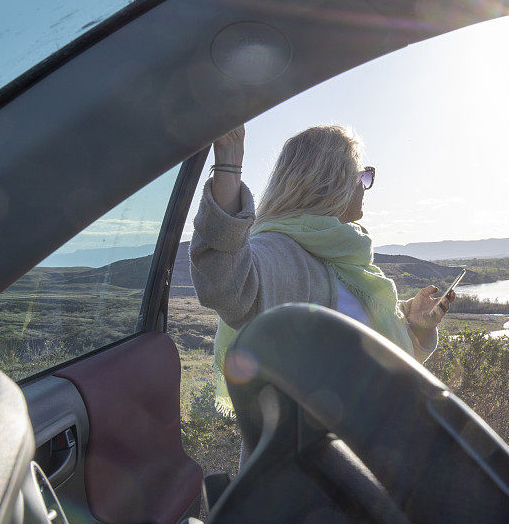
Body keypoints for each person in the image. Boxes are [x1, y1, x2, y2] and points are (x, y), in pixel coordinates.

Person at [190, 124, 454, 416]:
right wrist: (228, 163)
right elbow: (225, 284)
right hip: (317, 455)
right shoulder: (280, 251)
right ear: (332, 182)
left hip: (377, 445)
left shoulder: (340, 254)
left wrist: (413, 325)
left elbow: (376, 359)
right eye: (362, 176)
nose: (365, 187)